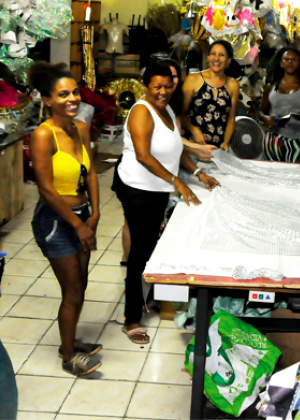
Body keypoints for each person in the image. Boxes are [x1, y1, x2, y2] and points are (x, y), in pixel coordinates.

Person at [112, 61, 221, 344]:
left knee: (151, 246)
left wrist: (197, 173)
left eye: (168, 86)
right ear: (146, 86)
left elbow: (175, 148)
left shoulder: (168, 109)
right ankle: (131, 319)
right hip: (138, 189)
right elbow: (144, 155)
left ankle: (149, 298)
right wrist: (178, 182)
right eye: (157, 87)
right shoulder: (141, 111)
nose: (163, 92)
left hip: (158, 188)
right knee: (140, 252)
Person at [28, 62, 102, 375]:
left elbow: (92, 173)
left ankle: (68, 340)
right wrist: (78, 226)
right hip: (56, 221)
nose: (72, 98)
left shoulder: (80, 128)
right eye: (62, 94)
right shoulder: (43, 136)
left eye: (74, 91)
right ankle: (69, 355)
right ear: (47, 100)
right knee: (72, 289)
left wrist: (95, 214)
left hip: (83, 215)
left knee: (80, 285)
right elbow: (46, 190)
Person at [259, 47, 300, 162]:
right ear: (281, 63)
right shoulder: (270, 87)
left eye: (294, 59)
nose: (290, 62)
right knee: (272, 174)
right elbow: (261, 113)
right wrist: (266, 118)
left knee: (294, 176)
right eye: (286, 59)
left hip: (297, 140)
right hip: (273, 139)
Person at [181, 40, 240, 151]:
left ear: (228, 61)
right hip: (194, 145)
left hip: (217, 148)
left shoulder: (233, 85)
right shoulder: (193, 79)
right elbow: (181, 113)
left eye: (221, 55)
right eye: (213, 54)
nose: (216, 58)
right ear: (208, 57)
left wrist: (226, 142)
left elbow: (231, 119)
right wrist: (194, 130)